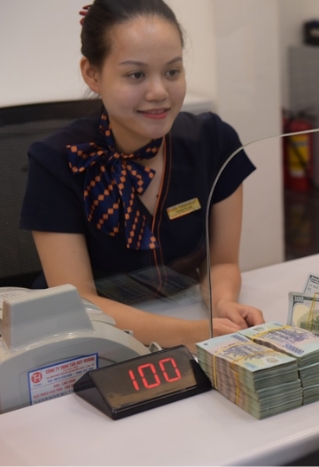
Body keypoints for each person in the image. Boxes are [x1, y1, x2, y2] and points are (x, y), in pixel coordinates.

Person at [19, 0, 263, 349]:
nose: (159, 92)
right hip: (88, 341)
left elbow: (222, 261)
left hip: (183, 315)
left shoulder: (214, 141)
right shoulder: (60, 161)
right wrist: (195, 334)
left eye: (172, 71)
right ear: (92, 73)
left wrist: (223, 304)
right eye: (136, 75)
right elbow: (80, 302)